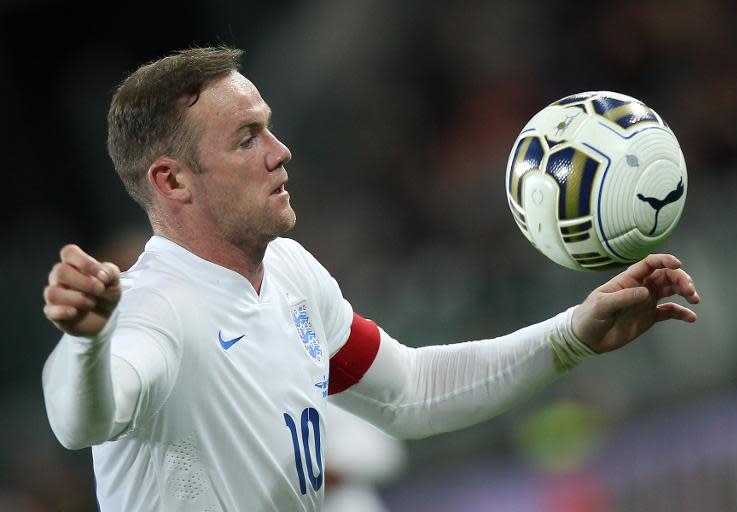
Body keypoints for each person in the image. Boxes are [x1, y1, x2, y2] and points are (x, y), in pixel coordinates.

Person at [41, 46, 700, 512]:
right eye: (246, 139)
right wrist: (89, 342)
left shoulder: (292, 275)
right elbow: (80, 418)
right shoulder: (153, 308)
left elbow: (409, 392)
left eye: (268, 128)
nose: (280, 152)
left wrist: (571, 335)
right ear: (172, 180)